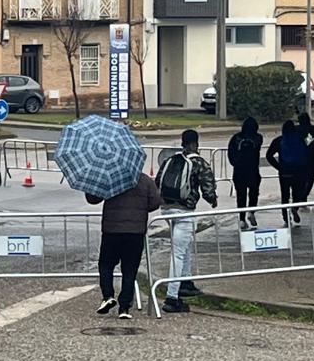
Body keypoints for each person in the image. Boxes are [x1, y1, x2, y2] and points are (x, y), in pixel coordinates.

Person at [155, 130, 218, 314]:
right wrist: (213, 199)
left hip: (167, 211)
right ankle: (172, 297)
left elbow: (158, 181)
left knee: (186, 245)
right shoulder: (198, 162)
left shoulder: (170, 160)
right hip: (184, 211)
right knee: (179, 253)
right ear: (195, 144)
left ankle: (186, 281)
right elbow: (208, 186)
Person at [86, 171, 162, 322]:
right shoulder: (145, 180)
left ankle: (108, 296)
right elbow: (155, 203)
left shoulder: (110, 177)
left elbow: (93, 199)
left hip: (112, 231)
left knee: (106, 265)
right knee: (129, 270)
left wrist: (91, 183)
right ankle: (125, 307)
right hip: (135, 232)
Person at [267, 120, 308, 224]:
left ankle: (286, 218)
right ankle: (295, 208)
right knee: (297, 192)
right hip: (299, 170)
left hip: (285, 172)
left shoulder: (279, 140)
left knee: (285, 195)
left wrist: (279, 167)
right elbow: (311, 142)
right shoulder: (301, 139)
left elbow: (269, 155)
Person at [227, 118, 264, 230]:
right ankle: (251, 212)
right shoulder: (258, 138)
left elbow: (230, 153)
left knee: (241, 195)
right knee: (254, 193)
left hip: (239, 171)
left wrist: (236, 163)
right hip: (253, 170)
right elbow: (258, 146)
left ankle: (242, 218)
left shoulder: (236, 138)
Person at [296, 112, 314, 211]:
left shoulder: (296, 129)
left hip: (298, 158)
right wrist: (311, 139)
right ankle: (303, 197)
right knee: (310, 179)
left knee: (300, 180)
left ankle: (300, 197)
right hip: (310, 158)